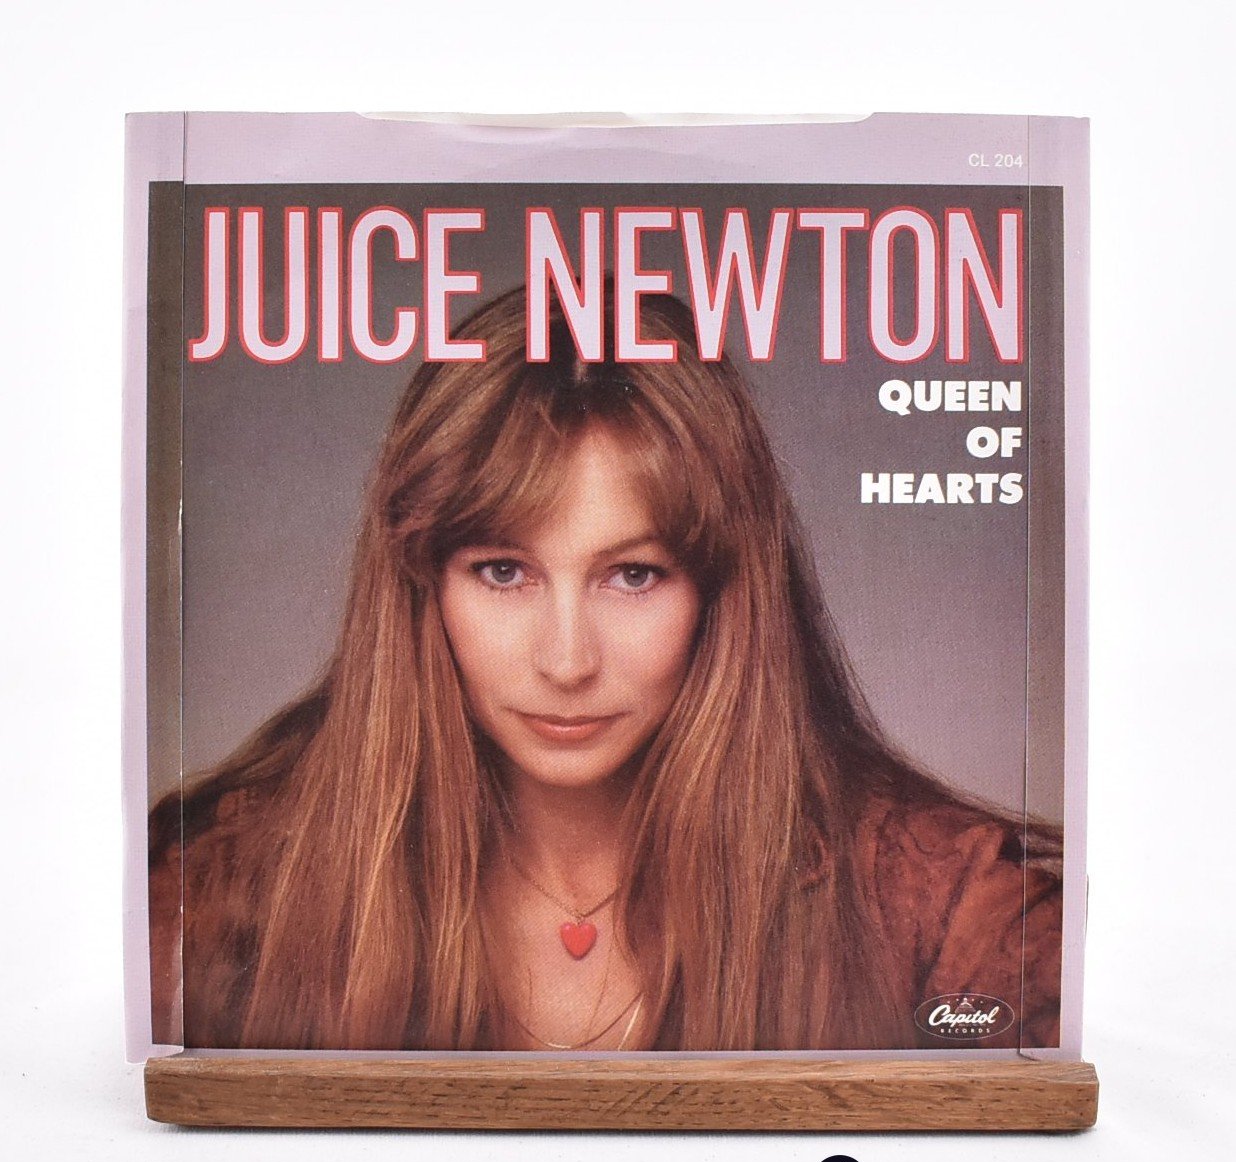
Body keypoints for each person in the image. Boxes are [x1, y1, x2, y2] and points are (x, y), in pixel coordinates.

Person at [149, 284, 1062, 1052]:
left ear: (719, 591)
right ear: (422, 583)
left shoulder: (948, 909)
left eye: (633, 575)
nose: (566, 660)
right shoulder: (217, 898)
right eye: (502, 571)